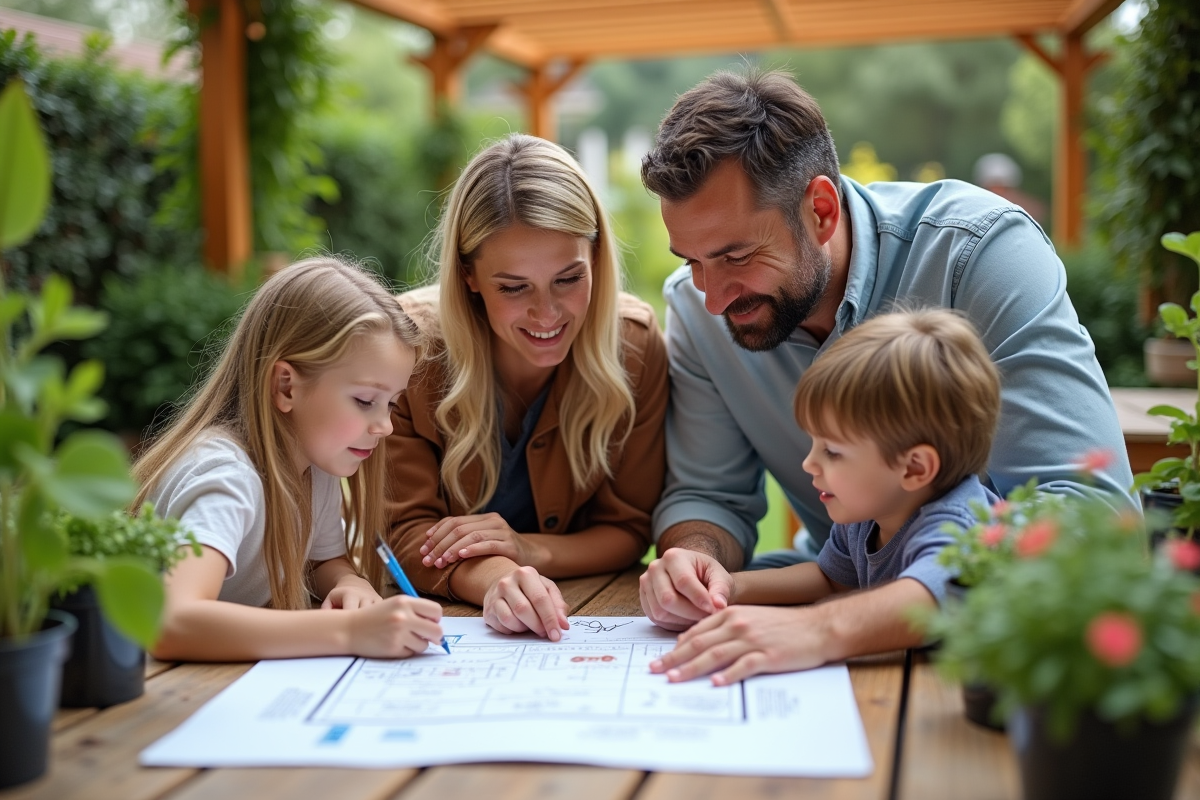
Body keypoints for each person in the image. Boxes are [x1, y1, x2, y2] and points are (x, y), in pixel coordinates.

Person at [638, 69, 1134, 653]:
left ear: (821, 210)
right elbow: (710, 497)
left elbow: (1092, 516)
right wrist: (693, 564)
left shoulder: (978, 253)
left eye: (736, 255)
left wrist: (834, 626)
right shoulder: (694, 308)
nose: (713, 298)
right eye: (691, 261)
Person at [386, 134, 669, 641]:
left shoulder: (635, 346)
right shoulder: (406, 352)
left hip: (582, 609)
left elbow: (628, 529)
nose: (546, 314)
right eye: (513, 287)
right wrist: (497, 578)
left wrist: (526, 549)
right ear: (468, 275)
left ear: (597, 257)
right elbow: (404, 534)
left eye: (567, 279)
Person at [650, 309, 1001, 684]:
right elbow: (830, 578)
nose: (808, 464)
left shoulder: (960, 524)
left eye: (832, 451)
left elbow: (929, 596)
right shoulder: (871, 511)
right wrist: (732, 588)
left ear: (914, 468)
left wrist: (808, 628)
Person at [136, 257, 446, 661]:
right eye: (366, 401)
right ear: (286, 386)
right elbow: (172, 623)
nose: (385, 426)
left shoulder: (315, 466)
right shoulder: (227, 477)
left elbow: (323, 560)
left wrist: (349, 583)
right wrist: (348, 631)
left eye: (391, 403)